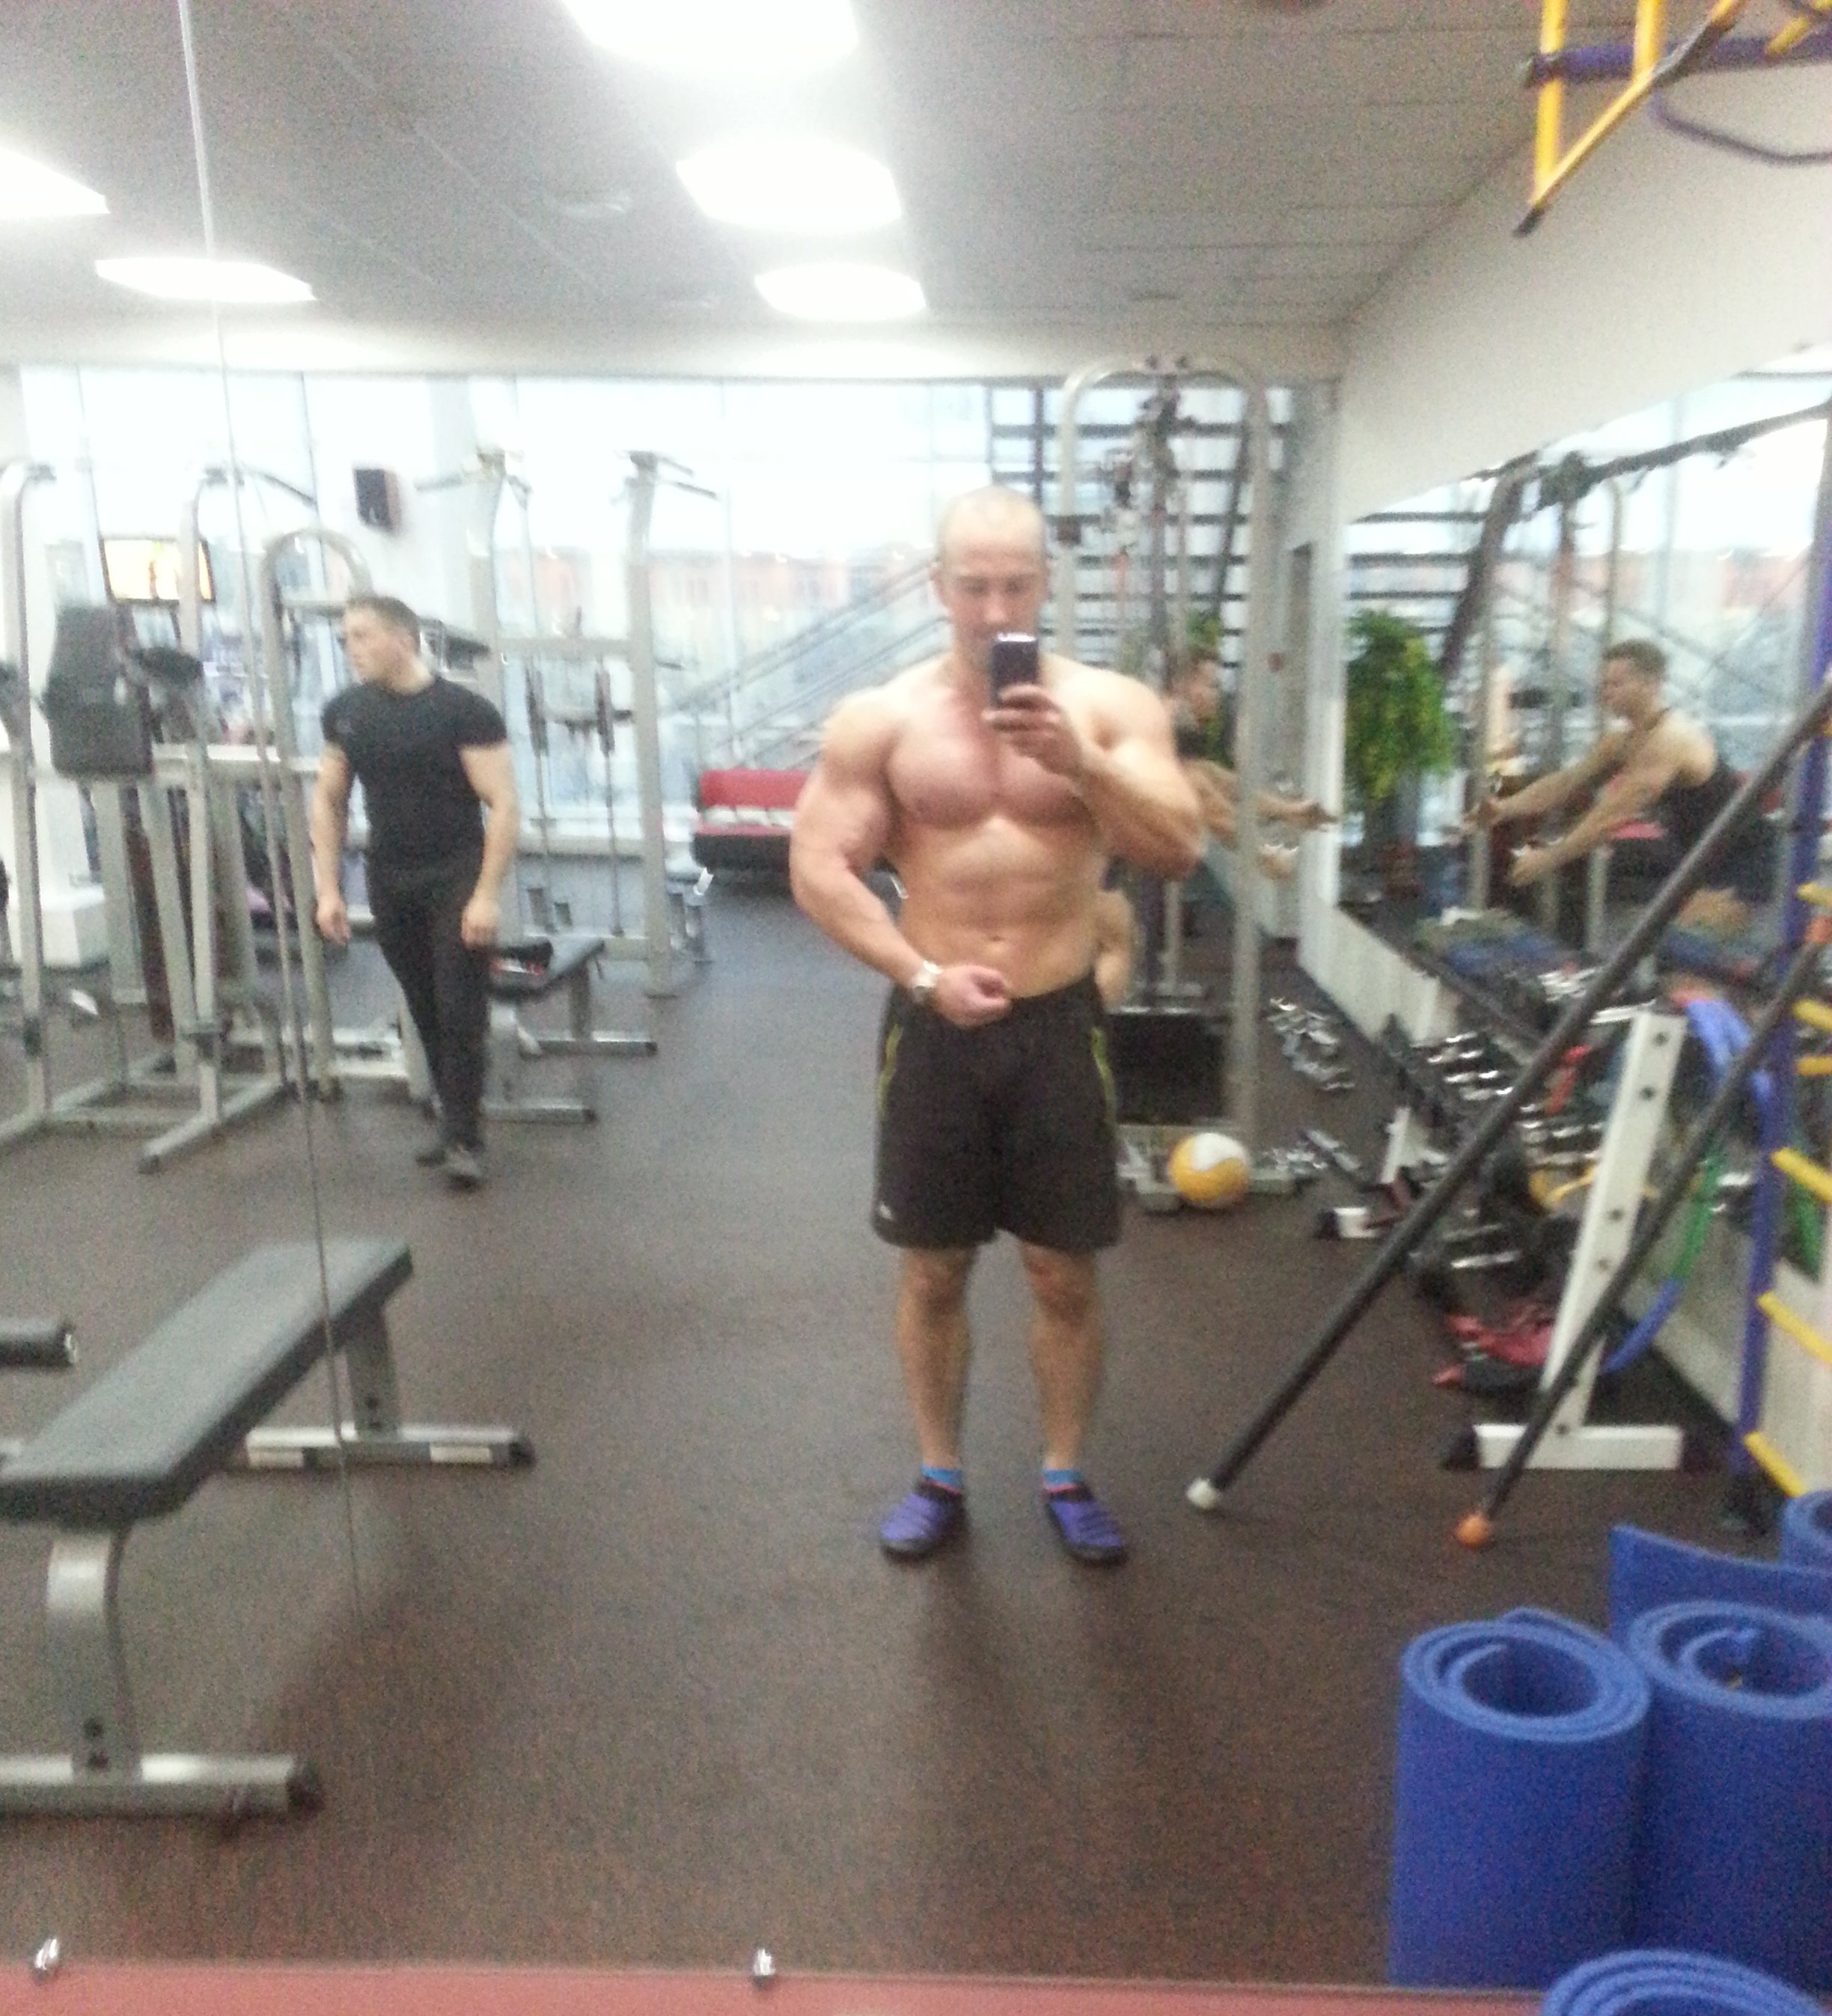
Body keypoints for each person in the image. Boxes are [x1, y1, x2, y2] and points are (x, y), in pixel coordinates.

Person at [790, 485, 1202, 1567]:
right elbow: (818, 868)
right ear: (939, 587)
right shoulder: (880, 720)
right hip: (935, 1024)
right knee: (933, 1269)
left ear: (1047, 583)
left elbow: (1178, 849)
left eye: (1016, 583)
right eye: (973, 585)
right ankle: (939, 1472)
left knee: (1064, 1272)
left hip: (1060, 1022)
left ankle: (1064, 1471)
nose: (995, 608)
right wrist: (919, 972)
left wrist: (1085, 767)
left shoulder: (1110, 707)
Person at [311, 593, 521, 1190]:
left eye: (363, 636)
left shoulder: (465, 712)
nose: (351, 648)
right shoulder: (345, 713)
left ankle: (465, 1138)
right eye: (346, 637)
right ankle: (453, 1120)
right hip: (390, 875)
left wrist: (486, 895)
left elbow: (504, 805)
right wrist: (328, 889)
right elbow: (328, 801)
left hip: (456, 873)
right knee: (424, 1006)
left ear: (403, 639)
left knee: (459, 1007)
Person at [1466, 638, 1772, 935]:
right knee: (1652, 928)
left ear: (1651, 685)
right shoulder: (1622, 741)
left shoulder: (1670, 740)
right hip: (1698, 854)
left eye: (1616, 684)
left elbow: (1612, 815)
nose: (1606, 693)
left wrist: (1550, 857)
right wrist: (1505, 808)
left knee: (1694, 950)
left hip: (1746, 861)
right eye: (1604, 684)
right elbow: (1568, 782)